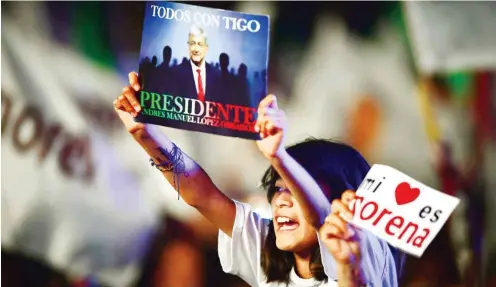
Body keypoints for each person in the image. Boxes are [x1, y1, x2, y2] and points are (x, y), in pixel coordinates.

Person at [114, 72, 399, 286]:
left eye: (298, 190)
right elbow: (203, 195)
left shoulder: (365, 254)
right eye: (278, 189)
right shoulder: (267, 252)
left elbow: (323, 221)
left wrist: (279, 158)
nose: (282, 201)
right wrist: (145, 134)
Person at [170, 25, 221, 102]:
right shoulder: (176, 73)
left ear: (206, 48)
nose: (196, 49)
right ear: (188, 46)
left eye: (200, 44)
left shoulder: (216, 75)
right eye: (193, 43)